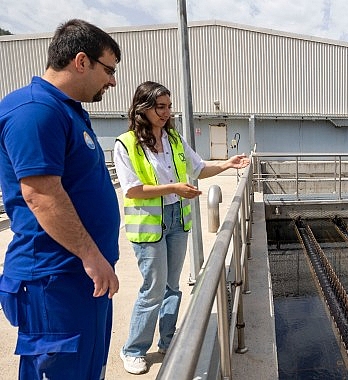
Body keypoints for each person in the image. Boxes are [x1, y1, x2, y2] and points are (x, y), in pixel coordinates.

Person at [0, 19, 121, 380]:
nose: (112, 81)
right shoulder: (35, 110)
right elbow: (41, 195)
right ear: (81, 61)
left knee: (87, 370)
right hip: (56, 279)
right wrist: (91, 256)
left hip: (82, 276)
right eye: (109, 69)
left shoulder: (66, 110)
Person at [114, 81, 250, 375]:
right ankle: (133, 350)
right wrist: (173, 187)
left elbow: (199, 168)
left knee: (171, 287)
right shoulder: (126, 144)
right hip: (149, 225)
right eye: (159, 107)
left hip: (177, 219)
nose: (166, 112)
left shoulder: (174, 139)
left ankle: (167, 339)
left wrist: (227, 163)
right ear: (143, 108)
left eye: (168, 106)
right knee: (153, 289)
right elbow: (133, 190)